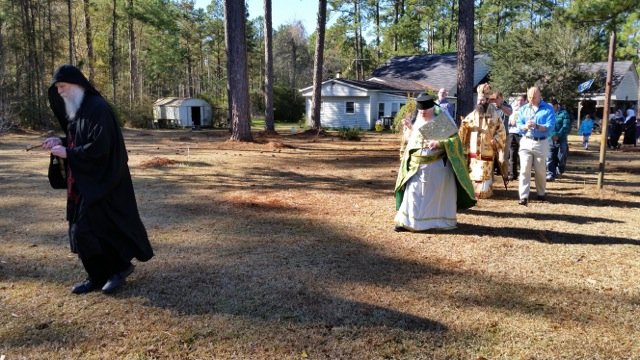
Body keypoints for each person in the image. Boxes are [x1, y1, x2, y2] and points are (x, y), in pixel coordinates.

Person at [42, 64, 154, 294]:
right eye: (58, 88)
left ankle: (120, 268)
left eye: (62, 86)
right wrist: (60, 142)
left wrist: (70, 153)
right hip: (84, 181)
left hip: (106, 182)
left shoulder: (98, 108)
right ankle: (96, 275)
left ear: (76, 85)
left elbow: (101, 147)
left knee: (96, 229)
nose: (60, 91)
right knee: (81, 232)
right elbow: (78, 139)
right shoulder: (78, 111)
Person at [394, 94, 476, 232]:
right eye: (420, 112)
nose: (423, 114)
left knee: (433, 198)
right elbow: (414, 139)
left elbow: (456, 141)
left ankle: (434, 222)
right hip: (416, 166)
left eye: (425, 111)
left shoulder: (442, 121)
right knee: (413, 193)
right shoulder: (418, 121)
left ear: (432, 108)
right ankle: (407, 222)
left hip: (437, 167)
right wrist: (409, 128)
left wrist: (439, 143)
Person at [458, 83, 507, 199]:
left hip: (487, 149)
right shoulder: (473, 114)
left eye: (482, 100)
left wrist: (496, 140)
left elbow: (502, 131)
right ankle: (472, 189)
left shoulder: (495, 115)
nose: (479, 102)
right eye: (478, 100)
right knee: (474, 170)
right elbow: (464, 129)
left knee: (484, 175)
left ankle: (484, 190)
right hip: (474, 148)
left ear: (487, 100)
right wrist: (463, 127)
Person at [516, 86, 556, 206]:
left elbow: (550, 126)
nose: (531, 99)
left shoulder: (548, 108)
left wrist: (537, 126)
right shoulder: (524, 109)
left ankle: (541, 193)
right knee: (524, 169)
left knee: (540, 170)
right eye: (529, 97)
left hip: (541, 142)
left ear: (540, 96)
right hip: (526, 141)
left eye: (533, 97)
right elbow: (518, 124)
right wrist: (525, 126)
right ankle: (523, 197)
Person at [546, 99, 571, 181]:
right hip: (550, 138)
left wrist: (558, 135)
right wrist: (551, 135)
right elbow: (546, 125)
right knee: (550, 157)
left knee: (561, 156)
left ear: (556, 105)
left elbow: (566, 126)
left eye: (551, 106)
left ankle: (559, 170)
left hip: (561, 139)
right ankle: (551, 174)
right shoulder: (547, 114)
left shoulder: (564, 113)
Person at [490, 91, 512, 177]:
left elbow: (509, 112)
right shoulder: (491, 107)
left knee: (503, 158)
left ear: (501, 98)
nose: (495, 101)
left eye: (497, 99)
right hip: (492, 136)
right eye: (494, 99)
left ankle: (505, 175)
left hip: (504, 136)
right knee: (490, 157)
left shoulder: (506, 106)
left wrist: (500, 106)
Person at [507, 95, 527, 179]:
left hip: (522, 134)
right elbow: (506, 119)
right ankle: (512, 174)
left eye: (521, 100)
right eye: (518, 100)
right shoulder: (512, 109)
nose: (519, 102)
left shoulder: (527, 110)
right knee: (512, 154)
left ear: (525, 101)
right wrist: (510, 122)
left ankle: (523, 174)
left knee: (523, 155)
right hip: (512, 133)